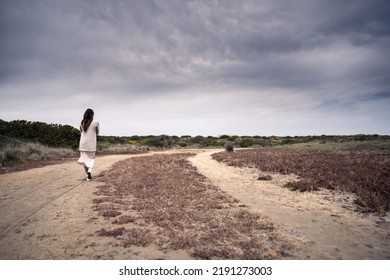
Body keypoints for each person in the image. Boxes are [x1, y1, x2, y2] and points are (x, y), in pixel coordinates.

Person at [77, 108, 99, 181]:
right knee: (91, 158)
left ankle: (88, 175)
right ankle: (89, 171)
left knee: (84, 160)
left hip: (82, 145)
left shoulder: (81, 122)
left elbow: (81, 132)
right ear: (92, 115)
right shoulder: (95, 122)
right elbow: (97, 132)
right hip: (91, 145)